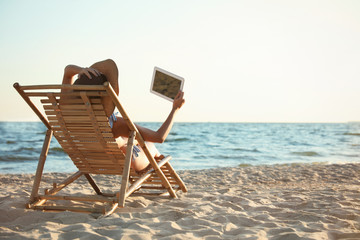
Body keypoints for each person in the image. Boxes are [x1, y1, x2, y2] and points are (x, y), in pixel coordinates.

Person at [62, 59, 185, 174]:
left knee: (129, 141)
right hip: (126, 162)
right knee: (150, 146)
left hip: (89, 160)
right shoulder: (113, 124)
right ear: (105, 98)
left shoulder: (66, 109)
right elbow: (159, 137)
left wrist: (81, 70)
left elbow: (68, 70)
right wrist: (175, 109)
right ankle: (157, 158)